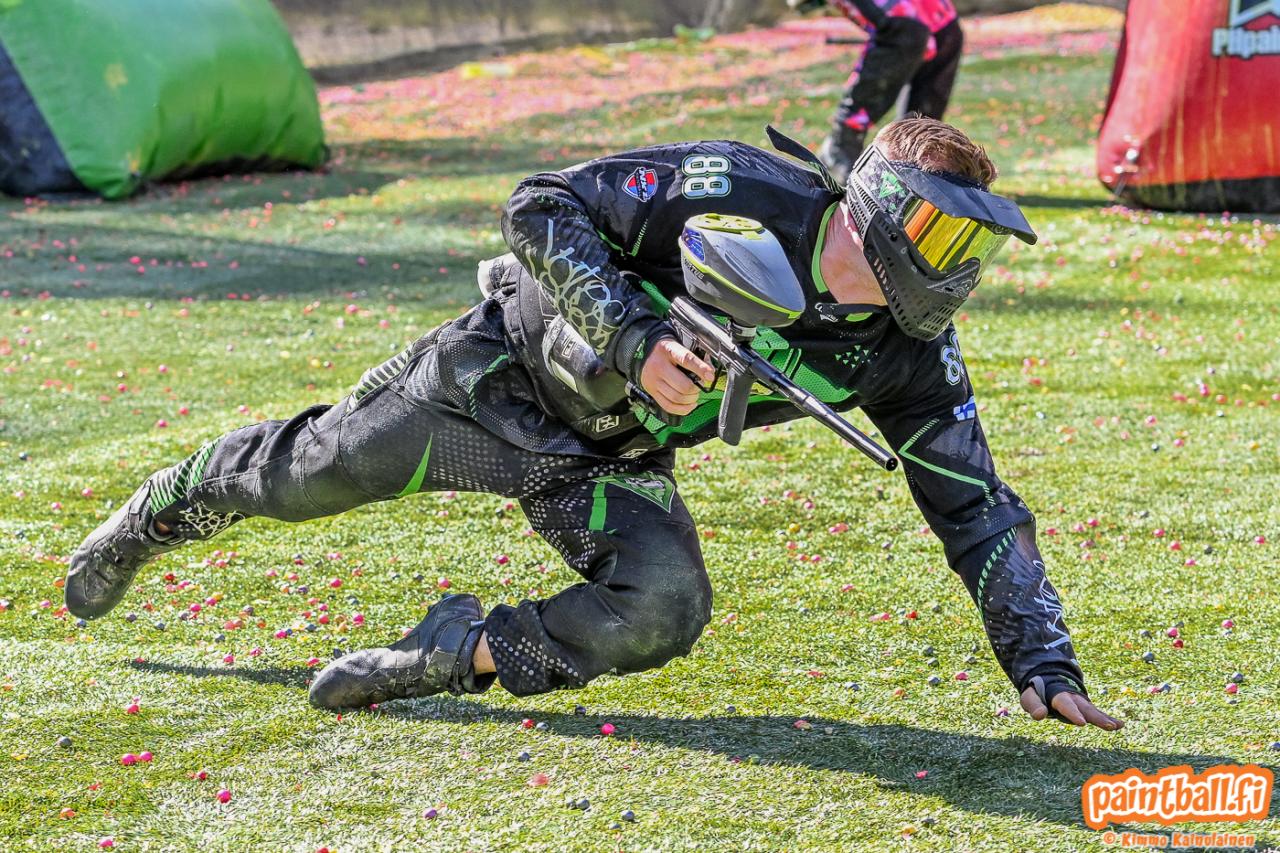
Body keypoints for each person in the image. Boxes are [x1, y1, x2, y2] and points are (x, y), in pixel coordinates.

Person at [65, 116, 1122, 731]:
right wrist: (634, 338)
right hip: (491, 379)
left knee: (663, 607)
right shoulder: (736, 186)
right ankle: (160, 510)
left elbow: (974, 504)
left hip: (606, 458)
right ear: (874, 203)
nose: (954, 269)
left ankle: (446, 656)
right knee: (302, 476)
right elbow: (540, 203)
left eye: (970, 249)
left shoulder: (905, 354)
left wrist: (1044, 662)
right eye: (941, 234)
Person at [790, 0, 965, 184]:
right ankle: (842, 152)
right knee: (904, 34)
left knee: (916, 122)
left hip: (928, 24)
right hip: (925, 24)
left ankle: (908, 166)